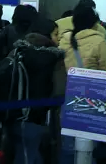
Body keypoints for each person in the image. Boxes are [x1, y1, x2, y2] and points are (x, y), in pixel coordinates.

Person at [60, 4, 106, 164]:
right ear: (94, 23)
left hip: (68, 99)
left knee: (68, 148)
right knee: (89, 149)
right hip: (93, 101)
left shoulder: (64, 41)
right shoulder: (99, 41)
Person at [8, 18, 65, 164]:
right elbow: (59, 91)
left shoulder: (18, 51)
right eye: (55, 34)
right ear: (46, 35)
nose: (58, 38)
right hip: (39, 117)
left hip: (13, 113)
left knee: (26, 154)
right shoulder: (53, 58)